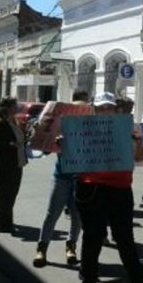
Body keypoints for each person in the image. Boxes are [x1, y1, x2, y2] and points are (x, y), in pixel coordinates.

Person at [75, 92, 143, 283]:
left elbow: (139, 158)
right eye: (101, 107)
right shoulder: (81, 128)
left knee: (124, 237)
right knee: (93, 236)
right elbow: (68, 156)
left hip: (120, 189)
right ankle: (88, 281)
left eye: (109, 107)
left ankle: (138, 280)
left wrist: (139, 142)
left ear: (115, 109)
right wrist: (63, 144)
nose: (105, 111)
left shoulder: (128, 129)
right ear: (94, 109)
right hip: (91, 188)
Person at [33, 90, 89, 268]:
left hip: (81, 178)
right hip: (62, 177)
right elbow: (46, 149)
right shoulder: (61, 126)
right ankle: (42, 248)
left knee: (77, 216)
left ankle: (71, 247)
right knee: (52, 213)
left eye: (84, 110)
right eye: (77, 110)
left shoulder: (91, 129)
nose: (80, 114)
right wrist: (41, 134)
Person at [0, 96, 26, 233]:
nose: (17, 108)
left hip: (17, 163)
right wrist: (11, 144)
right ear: (9, 108)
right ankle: (3, 225)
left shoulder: (13, 121)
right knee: (5, 195)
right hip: (3, 165)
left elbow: (21, 137)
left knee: (11, 195)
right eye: (15, 106)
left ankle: (7, 221)